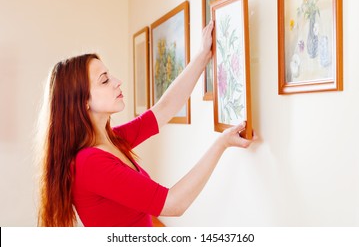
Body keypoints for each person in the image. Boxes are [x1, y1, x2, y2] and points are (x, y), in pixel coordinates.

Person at [37, 21, 256, 227]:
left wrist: (202, 56)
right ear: (82, 102)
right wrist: (221, 144)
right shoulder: (90, 163)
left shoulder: (112, 140)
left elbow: (164, 109)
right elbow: (173, 203)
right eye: (104, 80)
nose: (116, 81)